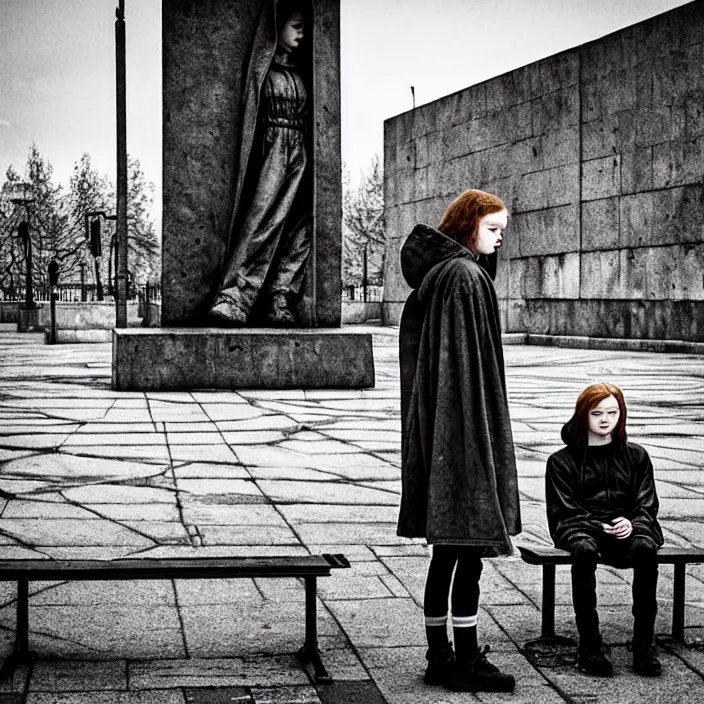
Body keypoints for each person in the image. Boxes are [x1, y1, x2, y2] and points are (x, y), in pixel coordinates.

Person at [397, 189, 521, 692]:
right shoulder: (465, 277)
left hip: (447, 432)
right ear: (470, 225)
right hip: (464, 437)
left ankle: (440, 654)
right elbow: (467, 374)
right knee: (465, 551)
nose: (498, 239)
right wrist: (477, 447)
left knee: (448, 553)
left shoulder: (446, 275)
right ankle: (461, 660)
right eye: (492, 229)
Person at [545, 382, 664, 678]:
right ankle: (590, 645)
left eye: (613, 412)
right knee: (584, 551)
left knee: (645, 548)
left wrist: (633, 523)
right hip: (580, 526)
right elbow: (564, 511)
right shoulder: (561, 461)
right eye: (597, 412)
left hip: (627, 526)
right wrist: (599, 525)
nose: (605, 419)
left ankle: (643, 643)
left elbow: (646, 503)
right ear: (582, 415)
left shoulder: (636, 456)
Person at [210, 0, 312, 327]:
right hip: (273, 151)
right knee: (263, 222)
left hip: (301, 153)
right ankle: (235, 296)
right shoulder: (262, 72)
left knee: (300, 227)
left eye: (304, 27)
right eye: (296, 25)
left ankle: (279, 297)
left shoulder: (303, 72)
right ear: (276, 27)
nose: (302, 33)